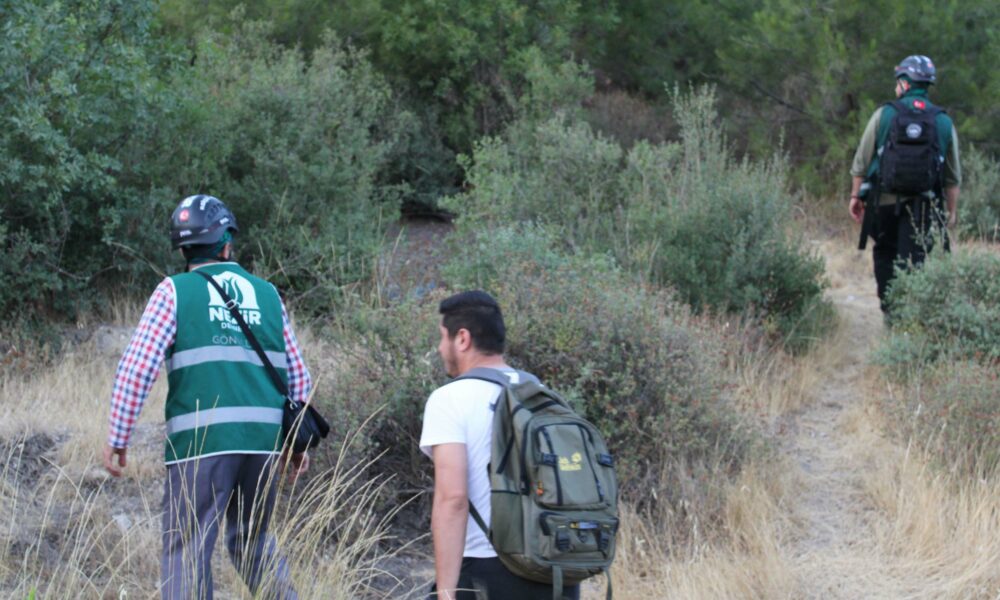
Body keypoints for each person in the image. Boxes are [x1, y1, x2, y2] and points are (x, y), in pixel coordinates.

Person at [103, 195, 311, 599]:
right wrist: (297, 444)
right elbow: (299, 378)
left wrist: (118, 435)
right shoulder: (268, 294)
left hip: (201, 445)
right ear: (226, 241)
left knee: (188, 548)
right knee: (253, 541)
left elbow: (137, 368)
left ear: (183, 249)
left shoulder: (173, 291)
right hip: (263, 444)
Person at [419, 291, 580, 600]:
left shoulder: (448, 399)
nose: (439, 348)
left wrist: (446, 593)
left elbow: (453, 500)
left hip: (489, 570)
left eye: (442, 337)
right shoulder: (538, 392)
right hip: (556, 567)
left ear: (462, 338)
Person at [848, 55, 961, 315]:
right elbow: (952, 176)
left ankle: (890, 312)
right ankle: (908, 318)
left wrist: (855, 196)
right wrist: (951, 211)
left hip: (883, 202)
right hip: (923, 205)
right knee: (914, 259)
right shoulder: (943, 121)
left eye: (898, 81)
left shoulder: (884, 114)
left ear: (906, 83)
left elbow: (861, 161)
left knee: (884, 254)